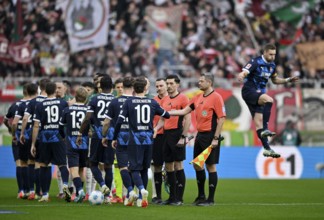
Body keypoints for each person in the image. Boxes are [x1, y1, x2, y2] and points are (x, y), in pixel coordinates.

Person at [112, 76, 170, 208]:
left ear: (134, 88)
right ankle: (141, 199)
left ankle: (141, 190)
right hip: (149, 139)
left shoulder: (129, 102)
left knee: (134, 168)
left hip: (135, 140)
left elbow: (119, 122)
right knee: (145, 168)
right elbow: (166, 115)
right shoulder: (152, 102)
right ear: (145, 88)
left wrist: (115, 137)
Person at [169, 73, 226, 206]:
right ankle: (201, 195)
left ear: (209, 82)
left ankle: (210, 200)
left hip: (211, 135)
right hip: (200, 135)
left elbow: (221, 118)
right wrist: (167, 112)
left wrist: (216, 138)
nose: (199, 83)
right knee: (197, 165)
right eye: (199, 81)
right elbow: (184, 112)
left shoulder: (216, 97)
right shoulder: (197, 97)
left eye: (201, 81)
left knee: (210, 166)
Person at [237, 43, 299, 158]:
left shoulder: (272, 66)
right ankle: (266, 129)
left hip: (260, 94)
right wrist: (241, 75)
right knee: (269, 100)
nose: (272, 57)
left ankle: (267, 149)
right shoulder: (255, 61)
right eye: (270, 54)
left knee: (258, 123)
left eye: (274, 55)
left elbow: (275, 80)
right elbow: (245, 71)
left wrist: (288, 80)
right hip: (249, 91)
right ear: (264, 52)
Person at [76, 76, 115, 202]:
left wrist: (80, 133)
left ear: (100, 87)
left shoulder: (94, 99)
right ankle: (108, 197)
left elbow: (87, 119)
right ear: (112, 86)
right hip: (111, 136)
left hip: (97, 135)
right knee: (108, 166)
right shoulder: (116, 100)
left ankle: (102, 185)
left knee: (93, 163)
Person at [30, 82, 70, 202]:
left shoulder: (40, 105)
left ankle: (45, 194)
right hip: (58, 137)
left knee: (44, 165)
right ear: (55, 91)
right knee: (62, 164)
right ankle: (66, 186)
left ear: (45, 91)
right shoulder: (63, 103)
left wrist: (33, 143)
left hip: (45, 138)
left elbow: (36, 125)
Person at [102, 76, 134, 206]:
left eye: (122, 87)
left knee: (123, 167)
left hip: (119, 138)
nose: (120, 89)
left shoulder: (115, 102)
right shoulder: (135, 101)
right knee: (122, 167)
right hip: (133, 139)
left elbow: (106, 122)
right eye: (118, 87)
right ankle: (122, 194)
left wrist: (104, 135)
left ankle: (129, 192)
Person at [160, 75, 190, 206]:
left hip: (177, 134)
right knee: (168, 166)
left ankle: (179, 198)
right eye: (168, 83)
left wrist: (183, 136)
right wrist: (155, 129)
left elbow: (188, 119)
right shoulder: (165, 100)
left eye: (171, 83)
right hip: (166, 134)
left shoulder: (183, 98)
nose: (169, 85)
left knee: (178, 165)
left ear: (177, 84)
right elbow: (162, 119)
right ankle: (172, 197)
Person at [20, 78, 50, 200]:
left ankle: (32, 191)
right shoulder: (50, 101)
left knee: (31, 162)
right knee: (42, 164)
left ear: (39, 87)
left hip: (33, 133)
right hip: (45, 135)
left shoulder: (32, 102)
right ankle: (41, 191)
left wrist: (22, 133)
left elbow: (25, 119)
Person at [59, 87, 89, 203]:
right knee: (81, 169)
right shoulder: (88, 110)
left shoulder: (67, 110)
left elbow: (60, 126)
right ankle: (79, 194)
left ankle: (80, 191)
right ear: (86, 98)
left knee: (73, 170)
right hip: (85, 142)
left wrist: (63, 136)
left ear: (75, 96)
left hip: (72, 142)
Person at [12, 83, 38, 200]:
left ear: (25, 91)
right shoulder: (39, 103)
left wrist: (15, 135)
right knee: (36, 163)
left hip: (25, 137)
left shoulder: (20, 105)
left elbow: (13, 122)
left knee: (22, 163)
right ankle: (37, 191)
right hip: (37, 136)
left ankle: (23, 190)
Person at [151, 78, 168, 204]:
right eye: (157, 86)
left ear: (166, 86)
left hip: (170, 135)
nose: (159, 88)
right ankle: (157, 195)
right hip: (157, 136)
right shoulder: (153, 101)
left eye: (161, 85)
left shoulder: (173, 99)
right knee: (156, 165)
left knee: (171, 165)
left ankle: (174, 196)